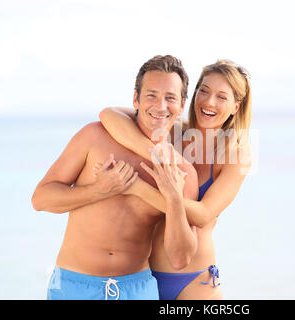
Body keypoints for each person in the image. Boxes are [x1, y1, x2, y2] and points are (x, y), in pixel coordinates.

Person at [31, 55, 199, 300]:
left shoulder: (182, 173)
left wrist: (173, 198)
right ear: (136, 99)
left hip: (137, 289)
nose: (161, 106)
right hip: (74, 286)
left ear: (182, 105)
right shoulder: (94, 136)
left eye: (170, 98)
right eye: (151, 95)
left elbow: (180, 258)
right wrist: (98, 190)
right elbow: (40, 199)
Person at [98, 59, 252, 300]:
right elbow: (109, 115)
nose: (209, 102)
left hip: (194, 282)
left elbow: (202, 214)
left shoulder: (236, 155)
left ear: (235, 107)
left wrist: (136, 187)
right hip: (142, 278)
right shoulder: (172, 131)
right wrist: (152, 151)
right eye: (204, 91)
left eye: (222, 97)